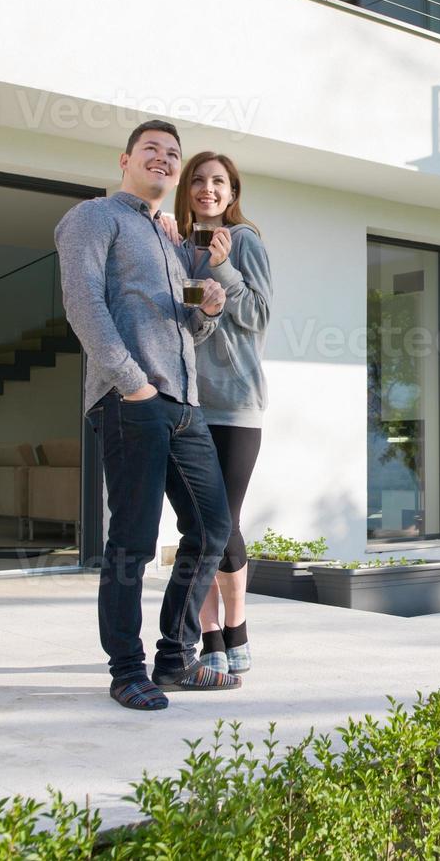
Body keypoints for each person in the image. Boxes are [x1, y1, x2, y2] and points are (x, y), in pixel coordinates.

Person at [54, 120, 242, 712]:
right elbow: (83, 303)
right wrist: (131, 383)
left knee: (212, 529)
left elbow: (187, 325)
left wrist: (208, 304)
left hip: (184, 405)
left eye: (172, 153)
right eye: (151, 150)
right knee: (132, 541)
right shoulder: (92, 217)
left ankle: (174, 656)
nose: (163, 159)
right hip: (130, 400)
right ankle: (126, 670)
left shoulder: (169, 238)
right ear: (125, 160)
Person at [171, 152, 272, 676]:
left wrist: (222, 265)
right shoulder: (174, 247)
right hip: (187, 403)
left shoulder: (246, 241)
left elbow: (258, 315)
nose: (208, 189)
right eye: (199, 181)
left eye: (219, 182)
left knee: (225, 521)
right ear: (187, 190)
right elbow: (183, 324)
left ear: (232, 192)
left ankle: (237, 627)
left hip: (235, 404)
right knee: (197, 525)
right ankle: (208, 635)